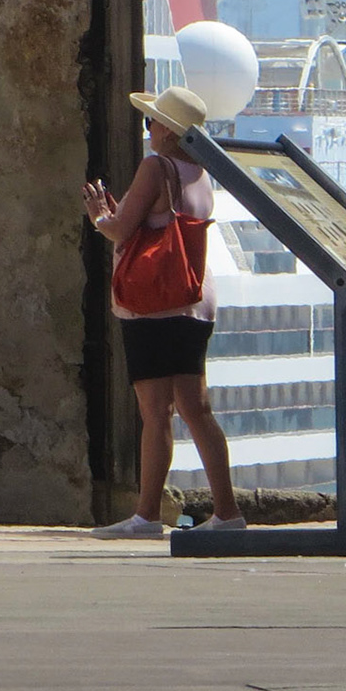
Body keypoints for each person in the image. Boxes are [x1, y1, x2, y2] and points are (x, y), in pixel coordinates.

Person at [81, 85, 244, 539]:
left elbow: (118, 230)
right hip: (194, 297)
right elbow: (157, 222)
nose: (148, 128)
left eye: (153, 122)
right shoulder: (199, 172)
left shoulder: (157, 166)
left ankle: (146, 515)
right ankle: (227, 511)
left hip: (155, 302)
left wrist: (99, 215)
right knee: (196, 408)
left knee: (155, 410)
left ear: (169, 132)